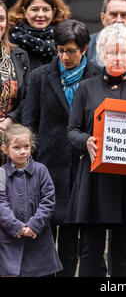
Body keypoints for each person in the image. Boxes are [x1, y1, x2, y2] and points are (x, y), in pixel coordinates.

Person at [65, 23, 126, 277]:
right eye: (111, 52)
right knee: (89, 251)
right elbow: (72, 130)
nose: (117, 57)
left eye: (122, 52)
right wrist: (85, 141)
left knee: (123, 252)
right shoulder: (86, 88)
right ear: (101, 55)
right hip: (95, 180)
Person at [21, 19, 100, 276]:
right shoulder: (39, 77)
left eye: (71, 51)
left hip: (82, 169)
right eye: (60, 50)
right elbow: (29, 123)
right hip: (46, 168)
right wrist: (30, 166)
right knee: (42, 242)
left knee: (70, 244)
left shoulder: (98, 77)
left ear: (84, 49)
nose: (65, 56)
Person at [0, 124, 62, 277]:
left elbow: (48, 200)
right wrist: (16, 227)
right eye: (17, 147)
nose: (23, 151)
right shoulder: (1, 173)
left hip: (38, 239)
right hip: (10, 239)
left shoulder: (41, 170)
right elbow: (1, 203)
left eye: (26, 146)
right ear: (5, 149)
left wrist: (34, 225)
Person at [8, 0, 70, 70]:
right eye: (34, 9)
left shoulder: (65, 39)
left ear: (53, 12)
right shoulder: (10, 39)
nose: (40, 15)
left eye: (46, 9)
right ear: (24, 11)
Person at [0, 0, 30, 151]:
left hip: (9, 138)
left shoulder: (19, 55)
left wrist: (11, 119)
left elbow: (27, 96)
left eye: (1, 19)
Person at [86, 0, 126, 73]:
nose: (118, 20)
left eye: (124, 15)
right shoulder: (87, 45)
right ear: (103, 18)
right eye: (113, 14)